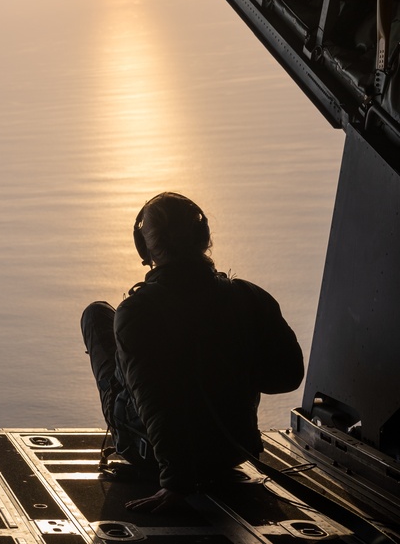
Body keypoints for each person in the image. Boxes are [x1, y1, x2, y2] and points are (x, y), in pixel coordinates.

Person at [80, 192, 304, 512]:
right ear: (204, 238)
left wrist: (176, 483)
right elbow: (287, 378)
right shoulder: (250, 297)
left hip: (150, 456)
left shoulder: (138, 310)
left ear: (145, 249)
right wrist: (230, 354)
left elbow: (153, 401)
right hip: (232, 451)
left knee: (97, 314)